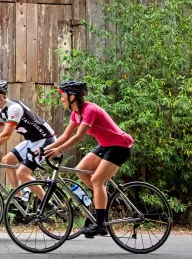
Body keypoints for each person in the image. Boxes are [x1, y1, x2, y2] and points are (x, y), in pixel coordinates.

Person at [42, 81, 133, 237]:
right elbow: (65, 135)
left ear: (72, 97)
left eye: (62, 96)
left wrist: (59, 150)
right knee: (81, 171)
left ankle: (100, 225)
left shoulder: (89, 110)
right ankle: (106, 198)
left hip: (120, 146)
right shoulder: (75, 113)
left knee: (97, 180)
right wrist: (46, 150)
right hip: (105, 145)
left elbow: (79, 136)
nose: (61, 99)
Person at [0, 79, 56, 204]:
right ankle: (20, 199)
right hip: (32, 140)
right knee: (7, 160)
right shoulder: (0, 111)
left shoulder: (14, 108)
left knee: (22, 173)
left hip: (46, 140)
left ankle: (47, 203)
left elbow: (5, 135)